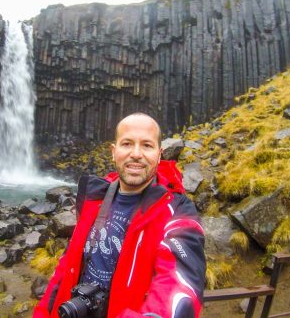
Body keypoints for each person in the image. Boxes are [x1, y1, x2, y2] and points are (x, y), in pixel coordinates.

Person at [34, 112, 206, 318]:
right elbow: (65, 267)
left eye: (147, 145)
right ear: (113, 152)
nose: (136, 153)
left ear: (159, 154)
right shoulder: (94, 198)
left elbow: (179, 280)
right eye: (127, 144)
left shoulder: (177, 211)